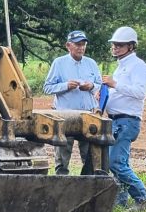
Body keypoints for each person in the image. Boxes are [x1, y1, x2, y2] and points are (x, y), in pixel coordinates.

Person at [102, 26, 146, 212]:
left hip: (127, 121)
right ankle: (120, 201)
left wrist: (114, 84)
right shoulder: (121, 67)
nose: (115, 48)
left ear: (131, 46)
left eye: (120, 45)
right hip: (116, 120)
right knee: (116, 162)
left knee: (116, 162)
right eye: (114, 45)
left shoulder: (138, 66)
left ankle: (143, 200)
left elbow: (140, 93)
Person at [43, 30, 102, 175]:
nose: (81, 48)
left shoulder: (91, 63)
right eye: (77, 45)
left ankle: (88, 182)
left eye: (83, 44)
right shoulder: (59, 63)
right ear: (68, 45)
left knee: (89, 153)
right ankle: (61, 182)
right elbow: (47, 87)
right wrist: (65, 86)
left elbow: (100, 85)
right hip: (65, 115)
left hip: (88, 114)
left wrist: (91, 86)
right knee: (63, 151)